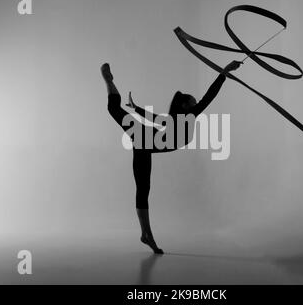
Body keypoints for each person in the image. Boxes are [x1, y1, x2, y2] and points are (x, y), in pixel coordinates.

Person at [101, 60, 240, 254]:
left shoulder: (177, 118)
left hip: (144, 142)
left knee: (143, 188)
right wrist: (225, 71)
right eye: (193, 101)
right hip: (144, 137)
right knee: (115, 110)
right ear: (185, 105)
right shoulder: (189, 115)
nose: (196, 103)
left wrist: (136, 107)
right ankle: (108, 80)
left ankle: (146, 234)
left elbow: (155, 118)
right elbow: (211, 95)